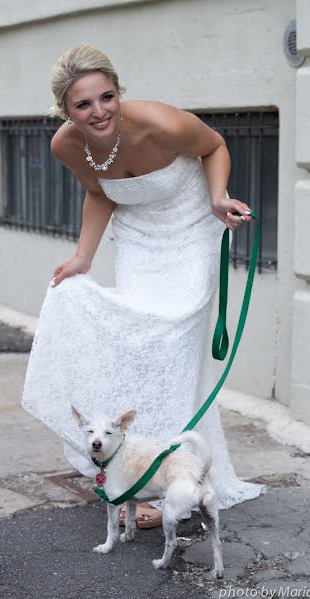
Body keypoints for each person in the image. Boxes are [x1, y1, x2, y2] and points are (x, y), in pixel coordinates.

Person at [22, 44, 265, 529]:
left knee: (171, 349)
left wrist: (217, 198)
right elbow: (97, 191)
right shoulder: (65, 145)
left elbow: (214, 145)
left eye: (106, 97)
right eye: (82, 105)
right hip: (137, 238)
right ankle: (131, 466)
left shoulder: (162, 123)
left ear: (118, 90)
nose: (98, 111)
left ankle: (168, 478)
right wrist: (83, 258)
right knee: (136, 350)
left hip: (190, 228)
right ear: (64, 110)